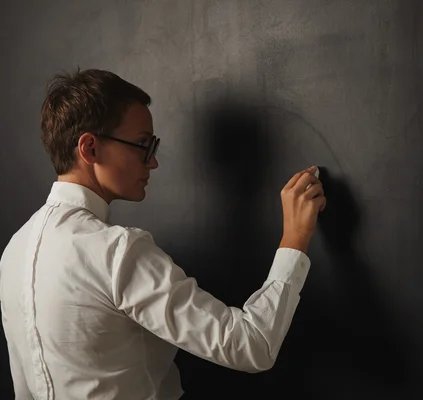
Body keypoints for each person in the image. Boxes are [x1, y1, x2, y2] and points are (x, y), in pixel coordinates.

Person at [0, 68, 327, 399]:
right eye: (143, 144)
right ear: (90, 149)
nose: (153, 162)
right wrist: (295, 240)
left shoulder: (13, 251)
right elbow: (252, 346)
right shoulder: (116, 252)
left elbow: (24, 391)